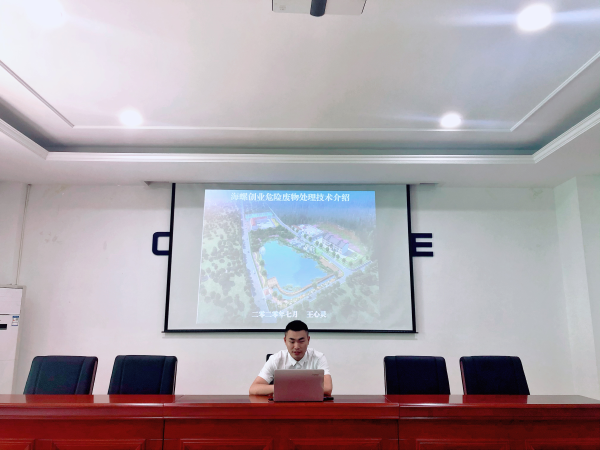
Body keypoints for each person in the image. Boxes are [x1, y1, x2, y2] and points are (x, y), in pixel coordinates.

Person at [249, 320, 333, 396]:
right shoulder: (276, 359)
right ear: (285, 341)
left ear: (308, 340)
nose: (296, 346)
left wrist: (289, 388)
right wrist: (282, 388)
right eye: (292, 341)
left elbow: (328, 388)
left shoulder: (318, 357)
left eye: (301, 341)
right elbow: (254, 388)